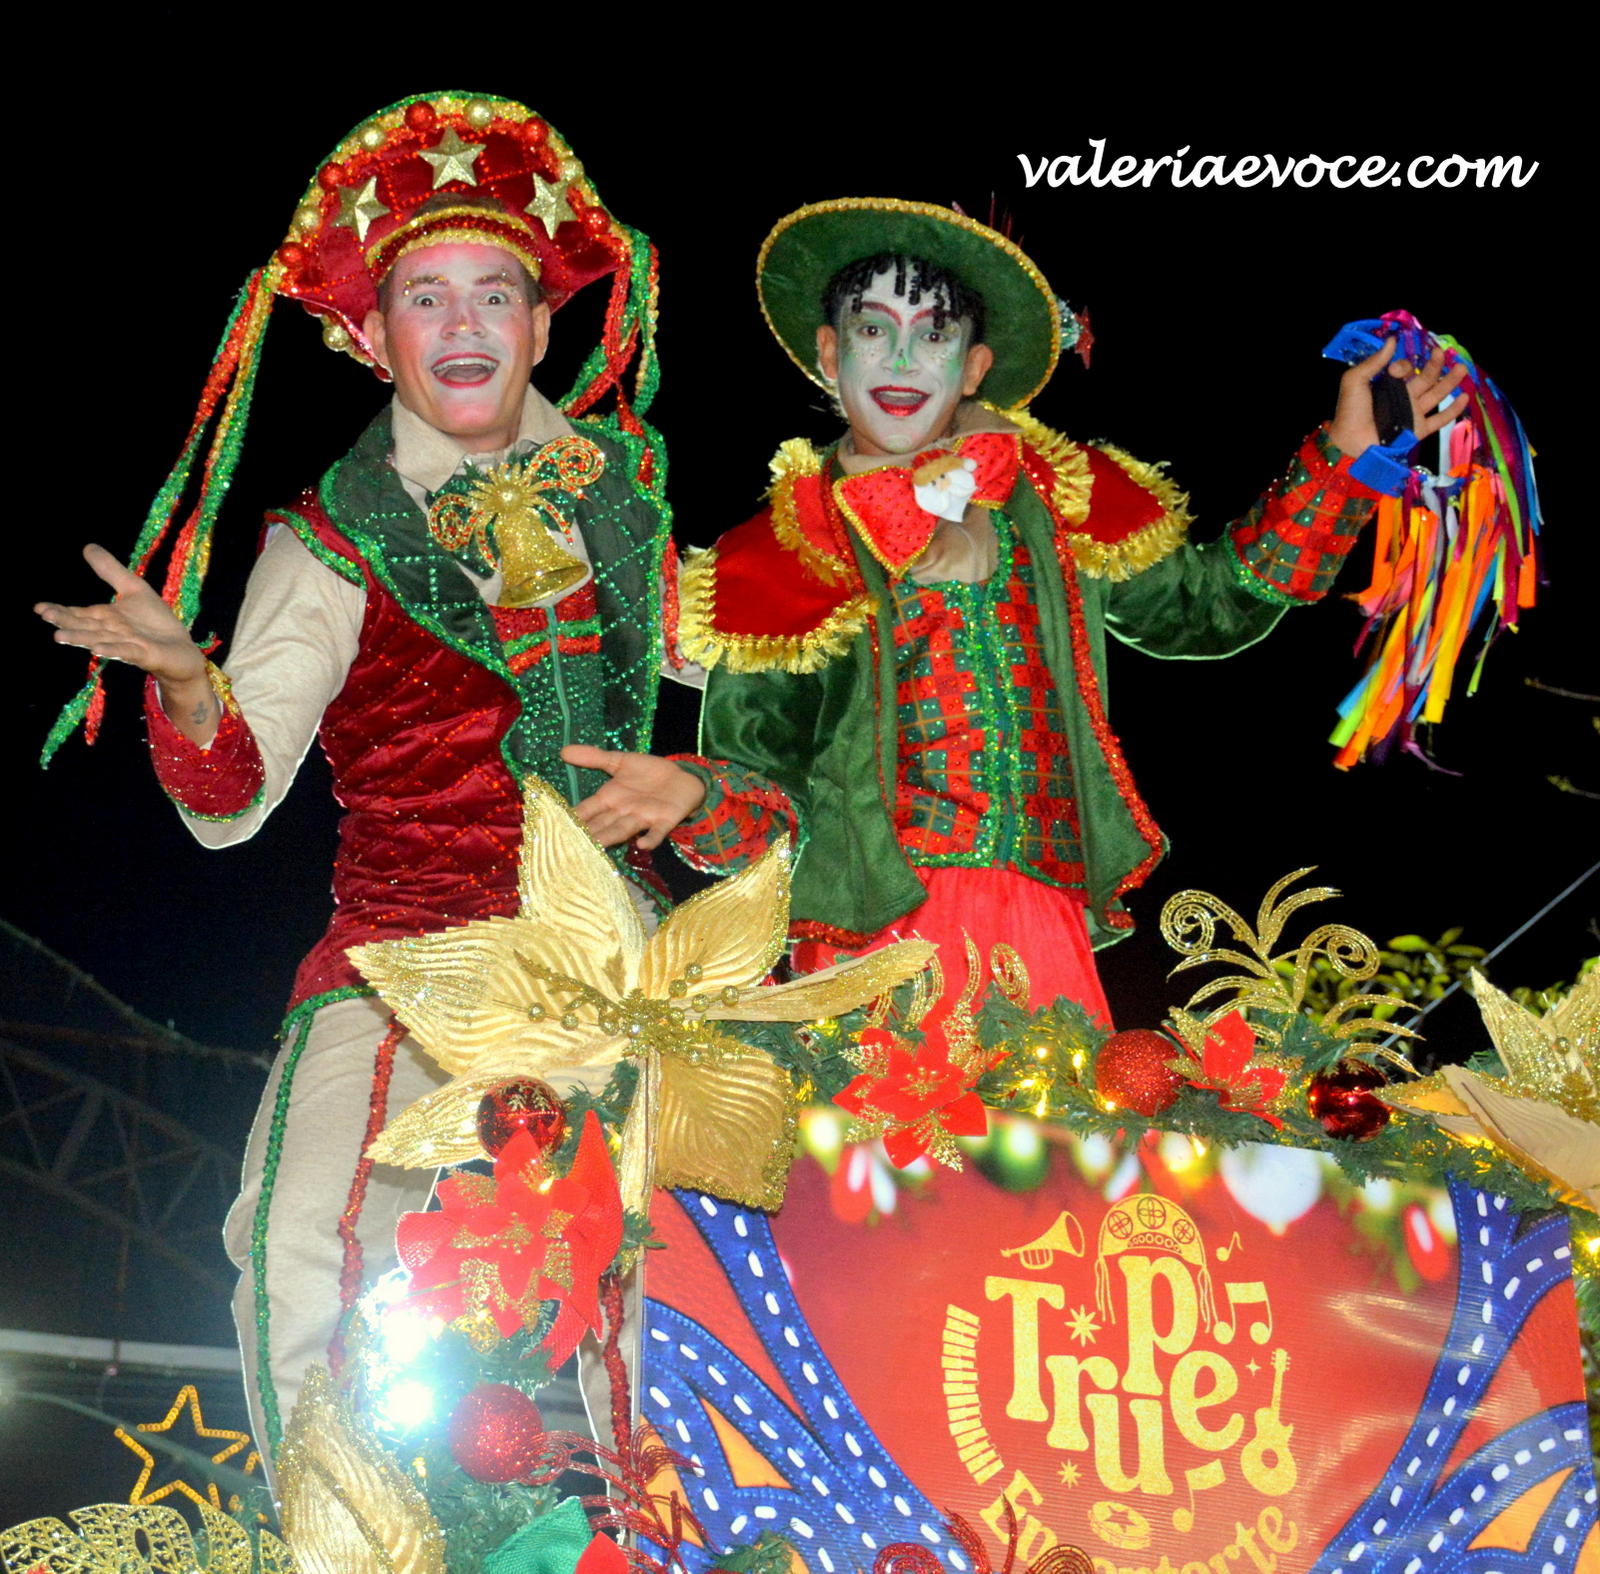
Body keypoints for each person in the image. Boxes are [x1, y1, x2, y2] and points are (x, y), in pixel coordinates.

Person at [34, 93, 702, 1462]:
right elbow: (229, 799)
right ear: (370, 334)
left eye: (494, 292)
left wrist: (715, 774)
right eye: (423, 296)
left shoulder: (626, 503)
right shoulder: (331, 536)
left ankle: (683, 1534)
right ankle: (333, 1533)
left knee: (672, 1267)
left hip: (611, 960)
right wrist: (185, 679)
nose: (462, 323)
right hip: (404, 953)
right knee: (298, 1241)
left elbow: (773, 683)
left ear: (542, 324)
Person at [646, 198, 1466, 1026]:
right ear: (830, 352)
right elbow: (768, 807)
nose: (901, 358)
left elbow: (1211, 605)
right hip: (873, 938)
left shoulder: (1057, 496)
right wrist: (697, 793)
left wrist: (1343, 460)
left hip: (1042, 917)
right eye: (872, 329)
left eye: (934, 333)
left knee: (1060, 1116)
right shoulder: (776, 554)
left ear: (974, 366)